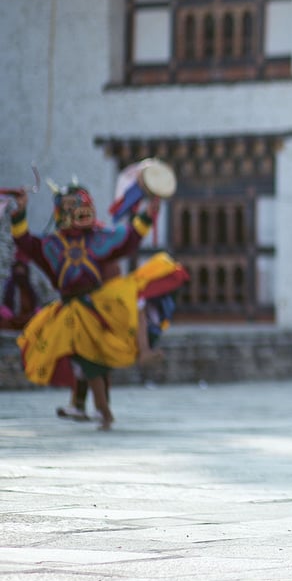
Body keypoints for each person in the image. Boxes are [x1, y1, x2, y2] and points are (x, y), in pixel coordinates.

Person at [9, 183, 188, 430]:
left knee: (94, 359)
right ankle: (96, 410)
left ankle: (103, 411)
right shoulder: (52, 246)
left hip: (97, 304)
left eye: (85, 204)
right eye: (74, 205)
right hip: (71, 310)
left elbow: (129, 239)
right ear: (62, 212)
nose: (83, 210)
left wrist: (149, 213)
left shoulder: (97, 239)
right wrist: (19, 213)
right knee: (87, 360)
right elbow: (25, 242)